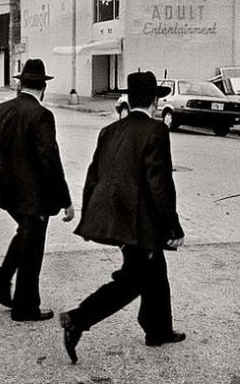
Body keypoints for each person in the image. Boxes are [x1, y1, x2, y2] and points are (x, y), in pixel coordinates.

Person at [60, 71, 186, 364]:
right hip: (140, 222)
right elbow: (160, 184)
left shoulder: (110, 130)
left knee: (155, 273)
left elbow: (93, 176)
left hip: (114, 217)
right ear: (155, 101)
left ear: (129, 99)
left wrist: (91, 216)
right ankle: (78, 319)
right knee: (132, 280)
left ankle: (158, 330)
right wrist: (172, 225)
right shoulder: (156, 131)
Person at [0, 59, 74, 322]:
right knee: (33, 248)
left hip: (6, 191)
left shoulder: (0, 110)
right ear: (43, 87)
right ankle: (22, 305)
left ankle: (4, 282)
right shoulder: (42, 115)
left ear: (20, 84)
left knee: (26, 235)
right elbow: (49, 159)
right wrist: (65, 199)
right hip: (32, 195)